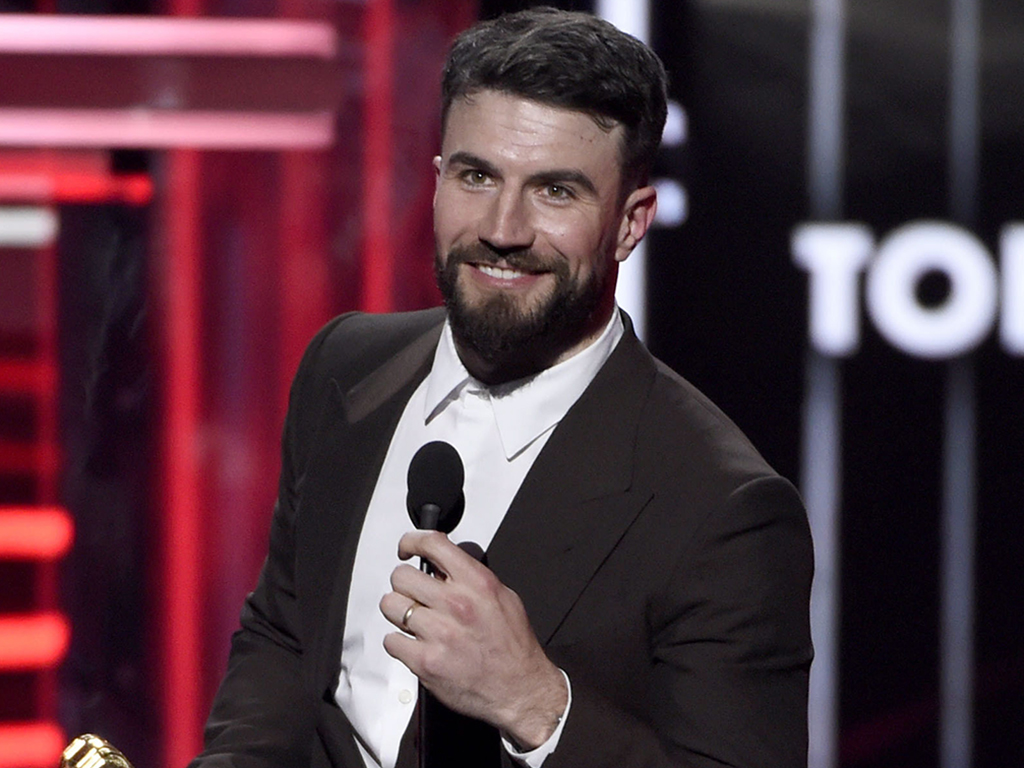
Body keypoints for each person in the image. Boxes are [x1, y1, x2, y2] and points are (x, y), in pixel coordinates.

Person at [191, 8, 813, 768]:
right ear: (437, 179)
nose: (502, 227)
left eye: (555, 191)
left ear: (630, 222)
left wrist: (534, 702)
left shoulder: (724, 511)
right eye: (477, 176)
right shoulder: (344, 369)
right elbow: (285, 640)